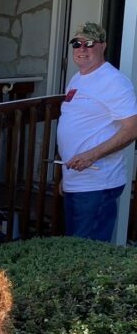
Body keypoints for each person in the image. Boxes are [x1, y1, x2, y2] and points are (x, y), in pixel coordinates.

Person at [56, 22, 137, 242]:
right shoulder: (76, 79)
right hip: (76, 180)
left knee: (87, 255)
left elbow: (132, 129)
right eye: (77, 43)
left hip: (98, 184)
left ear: (103, 46)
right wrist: (67, 177)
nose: (82, 48)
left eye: (89, 43)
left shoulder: (114, 81)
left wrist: (91, 155)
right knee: (74, 248)